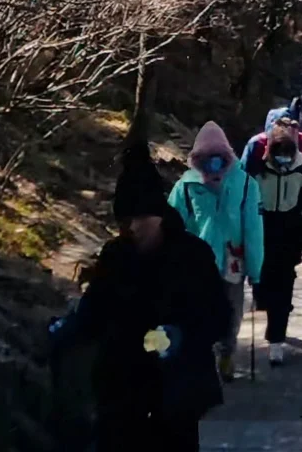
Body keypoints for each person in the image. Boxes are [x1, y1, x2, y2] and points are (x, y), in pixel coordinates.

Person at [50, 142, 229, 452]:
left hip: (175, 393)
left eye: (137, 219)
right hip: (121, 389)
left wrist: (181, 335)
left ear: (158, 215)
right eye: (123, 221)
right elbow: (96, 309)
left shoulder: (193, 256)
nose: (130, 228)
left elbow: (218, 316)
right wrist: (70, 327)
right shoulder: (115, 255)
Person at [168, 122, 263, 382]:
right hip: (196, 265)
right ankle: (204, 356)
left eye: (218, 157)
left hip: (233, 261)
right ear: (197, 158)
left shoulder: (245, 186)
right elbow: (172, 226)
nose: (214, 163)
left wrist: (255, 270)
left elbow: (253, 230)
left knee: (231, 311)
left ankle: (226, 353)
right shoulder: (185, 187)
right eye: (207, 157)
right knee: (199, 311)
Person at [242, 115, 302, 365]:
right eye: (279, 156)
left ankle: (276, 339)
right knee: (263, 286)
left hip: (290, 235)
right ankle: (268, 306)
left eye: (288, 157)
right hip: (261, 232)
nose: (283, 162)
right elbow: (244, 202)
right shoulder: (256, 168)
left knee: (284, 286)